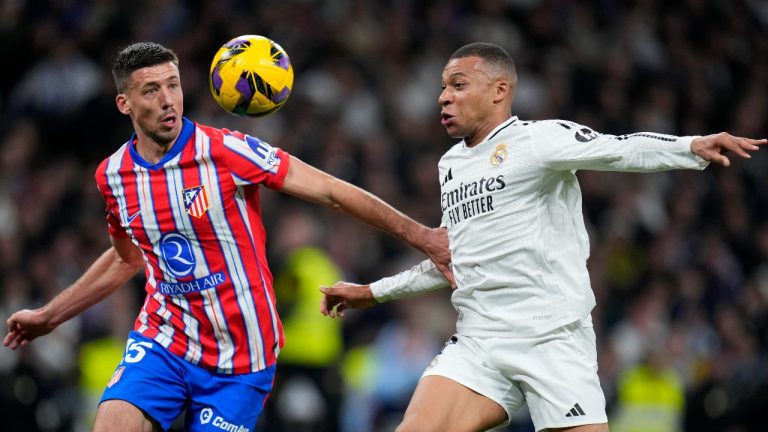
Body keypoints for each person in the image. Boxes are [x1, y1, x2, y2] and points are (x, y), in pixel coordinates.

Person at [3, 42, 453, 432]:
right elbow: (127, 258)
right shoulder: (113, 175)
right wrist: (50, 315)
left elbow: (332, 192)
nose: (167, 100)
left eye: (173, 85)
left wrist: (422, 236)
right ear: (124, 104)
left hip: (242, 355)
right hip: (165, 338)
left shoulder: (225, 152)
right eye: (151, 90)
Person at [319, 42, 765, 432]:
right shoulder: (451, 165)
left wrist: (690, 147)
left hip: (552, 338)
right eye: (442, 87)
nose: (443, 97)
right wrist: (370, 292)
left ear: (500, 90)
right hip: (480, 341)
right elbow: (454, 258)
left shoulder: (538, 140)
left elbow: (619, 147)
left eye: (457, 85)